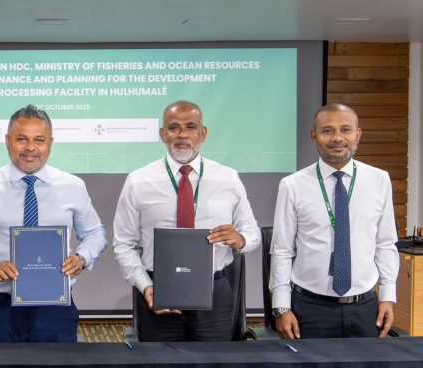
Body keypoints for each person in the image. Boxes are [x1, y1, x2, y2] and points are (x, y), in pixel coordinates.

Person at [0, 105, 106, 342]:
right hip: (1, 308)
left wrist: (82, 258)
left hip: (56, 308)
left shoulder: (73, 186)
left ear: (50, 143)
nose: (30, 148)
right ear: (7, 141)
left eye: (39, 140)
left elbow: (95, 233)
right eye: (22, 139)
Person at [113, 100, 260, 341]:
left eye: (191, 127)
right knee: (160, 364)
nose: (182, 134)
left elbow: (252, 233)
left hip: (213, 292)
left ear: (203, 133)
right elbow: (123, 244)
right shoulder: (138, 181)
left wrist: (241, 239)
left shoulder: (228, 178)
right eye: (174, 128)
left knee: (213, 363)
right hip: (158, 290)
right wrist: (146, 286)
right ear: (163, 134)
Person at [270, 103, 398, 339]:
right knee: (307, 366)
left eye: (345, 130)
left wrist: (388, 296)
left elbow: (385, 243)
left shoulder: (379, 180)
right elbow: (282, 250)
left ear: (358, 134)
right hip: (309, 308)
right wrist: (281, 307)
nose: (337, 138)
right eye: (327, 131)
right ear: (314, 137)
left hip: (365, 308)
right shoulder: (292, 185)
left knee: (367, 365)